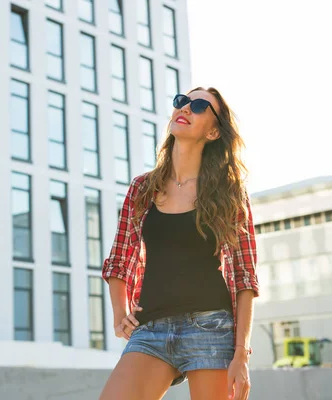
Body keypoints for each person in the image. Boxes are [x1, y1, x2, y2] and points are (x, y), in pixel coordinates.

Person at [100, 87, 260, 400]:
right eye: (181, 101)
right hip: (151, 329)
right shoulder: (143, 188)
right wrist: (120, 313)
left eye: (199, 106)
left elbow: (245, 278)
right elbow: (119, 258)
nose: (186, 108)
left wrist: (241, 354)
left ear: (213, 131)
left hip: (211, 329)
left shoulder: (229, 191)